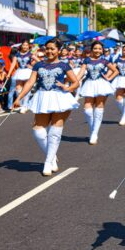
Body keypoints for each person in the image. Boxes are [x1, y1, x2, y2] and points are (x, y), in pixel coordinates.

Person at [13, 38, 79, 176]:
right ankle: (52, 155)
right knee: (38, 131)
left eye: (52, 48)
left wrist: (67, 88)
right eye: (47, 48)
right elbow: (30, 82)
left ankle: (48, 162)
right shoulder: (38, 65)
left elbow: (76, 83)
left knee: (55, 131)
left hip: (59, 98)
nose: (49, 51)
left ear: (58, 50)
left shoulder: (64, 65)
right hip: (42, 97)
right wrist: (19, 98)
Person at [76, 41, 119, 144]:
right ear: (92, 49)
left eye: (100, 49)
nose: (97, 50)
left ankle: (94, 133)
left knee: (99, 108)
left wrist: (109, 78)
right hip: (89, 84)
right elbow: (81, 73)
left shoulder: (104, 61)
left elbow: (116, 71)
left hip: (101, 84)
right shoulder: (86, 60)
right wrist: (74, 82)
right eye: (95, 48)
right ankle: (93, 130)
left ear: (102, 50)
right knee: (87, 110)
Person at [7, 40, 39, 113]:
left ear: (28, 46)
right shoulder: (17, 54)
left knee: (26, 89)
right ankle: (21, 104)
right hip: (19, 72)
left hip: (28, 72)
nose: (25, 46)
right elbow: (13, 64)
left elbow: (39, 61)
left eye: (26, 45)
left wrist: (33, 67)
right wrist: (9, 73)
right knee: (18, 88)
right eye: (24, 45)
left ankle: (25, 105)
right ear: (21, 46)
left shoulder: (30, 54)